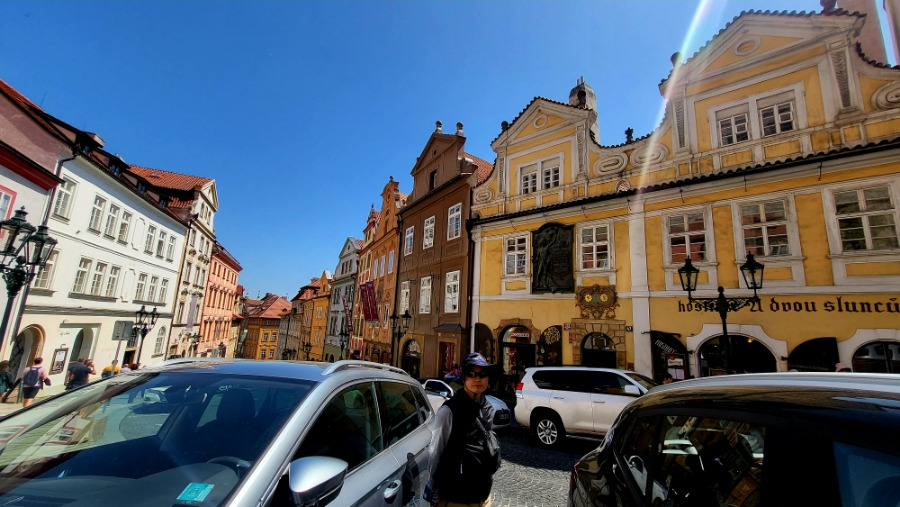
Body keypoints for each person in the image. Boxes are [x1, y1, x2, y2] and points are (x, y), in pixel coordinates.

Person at [426, 352, 499, 507]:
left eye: (482, 374)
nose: (477, 379)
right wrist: (434, 487)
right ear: (464, 378)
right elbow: (435, 452)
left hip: (483, 497)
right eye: (472, 374)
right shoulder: (449, 411)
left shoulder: (488, 408)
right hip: (456, 498)